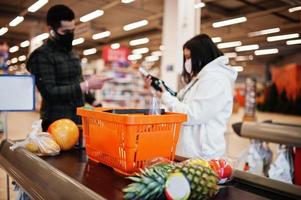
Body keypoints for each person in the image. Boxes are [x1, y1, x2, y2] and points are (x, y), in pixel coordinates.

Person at [145, 34, 237, 159]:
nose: (187, 62)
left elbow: (192, 114)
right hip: (191, 152)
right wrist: (161, 93)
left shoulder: (215, 80)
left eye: (189, 57)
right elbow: (180, 99)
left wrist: (167, 98)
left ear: (201, 55)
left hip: (203, 156)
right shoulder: (200, 79)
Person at [26, 5, 111, 131]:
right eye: (65, 32)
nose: (70, 35)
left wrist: (94, 102)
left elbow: (77, 82)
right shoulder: (41, 56)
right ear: (51, 29)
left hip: (77, 118)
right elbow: (49, 92)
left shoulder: (72, 53)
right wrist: (87, 84)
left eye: (72, 30)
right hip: (55, 122)